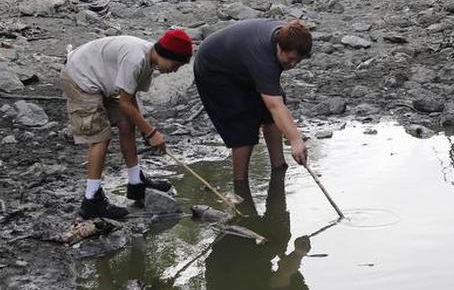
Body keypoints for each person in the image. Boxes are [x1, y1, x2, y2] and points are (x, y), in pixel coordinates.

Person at [61, 29, 193, 219]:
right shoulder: (136, 59)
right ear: (165, 54)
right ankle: (91, 200)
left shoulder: (148, 61)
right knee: (100, 137)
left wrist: (147, 132)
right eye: (175, 64)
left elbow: (129, 102)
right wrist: (150, 132)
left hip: (103, 79)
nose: (175, 70)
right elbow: (125, 102)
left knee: (126, 123)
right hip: (79, 77)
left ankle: (135, 183)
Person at [193, 19, 312, 181]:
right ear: (279, 46)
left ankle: (278, 167)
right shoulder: (263, 57)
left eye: (298, 61)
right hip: (214, 69)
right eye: (290, 59)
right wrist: (296, 141)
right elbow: (275, 106)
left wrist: (294, 138)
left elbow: (274, 105)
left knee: (271, 107)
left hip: (241, 65)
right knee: (243, 126)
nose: (293, 65)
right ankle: (240, 184)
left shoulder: (290, 37)